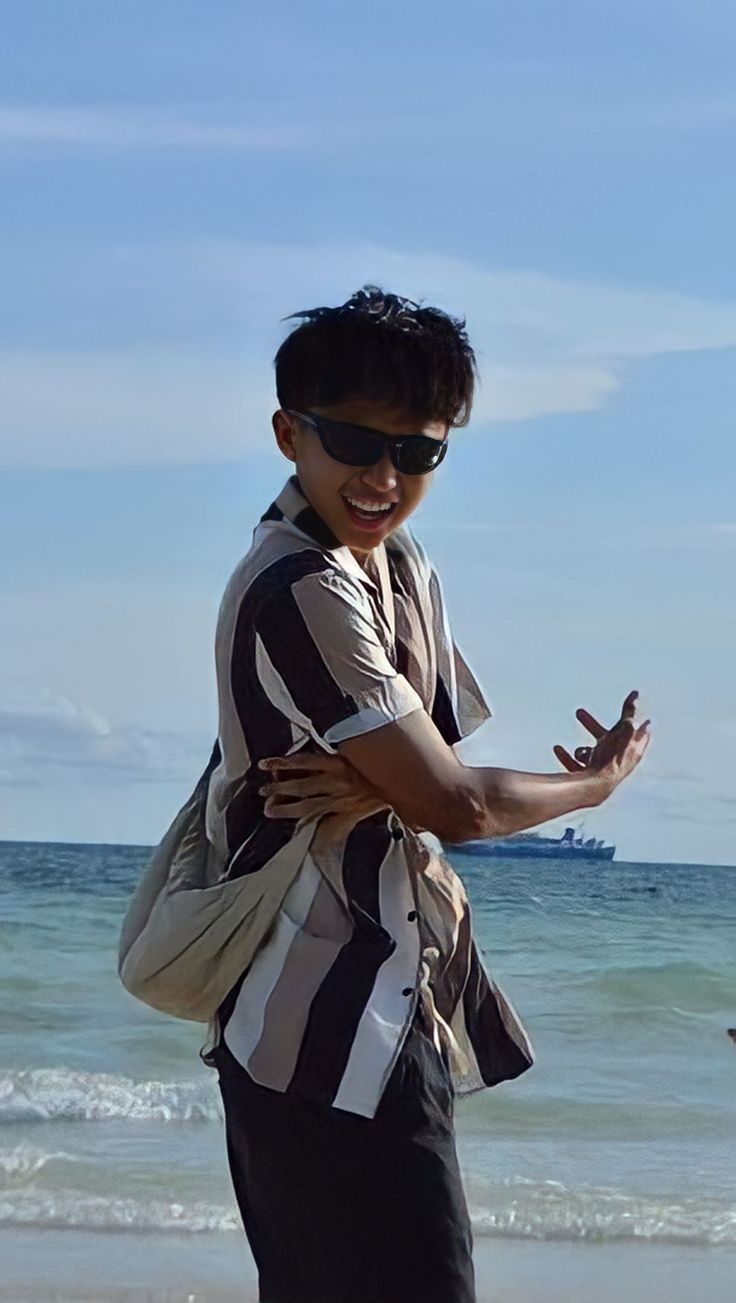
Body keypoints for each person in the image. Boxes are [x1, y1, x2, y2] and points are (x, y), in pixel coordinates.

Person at [205, 284, 651, 1303]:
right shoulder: (302, 586)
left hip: (388, 1000)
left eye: (418, 451)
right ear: (288, 432)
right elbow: (460, 803)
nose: (382, 475)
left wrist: (380, 785)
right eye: (355, 441)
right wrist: (593, 785)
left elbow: (423, 762)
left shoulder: (401, 568)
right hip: (313, 1019)